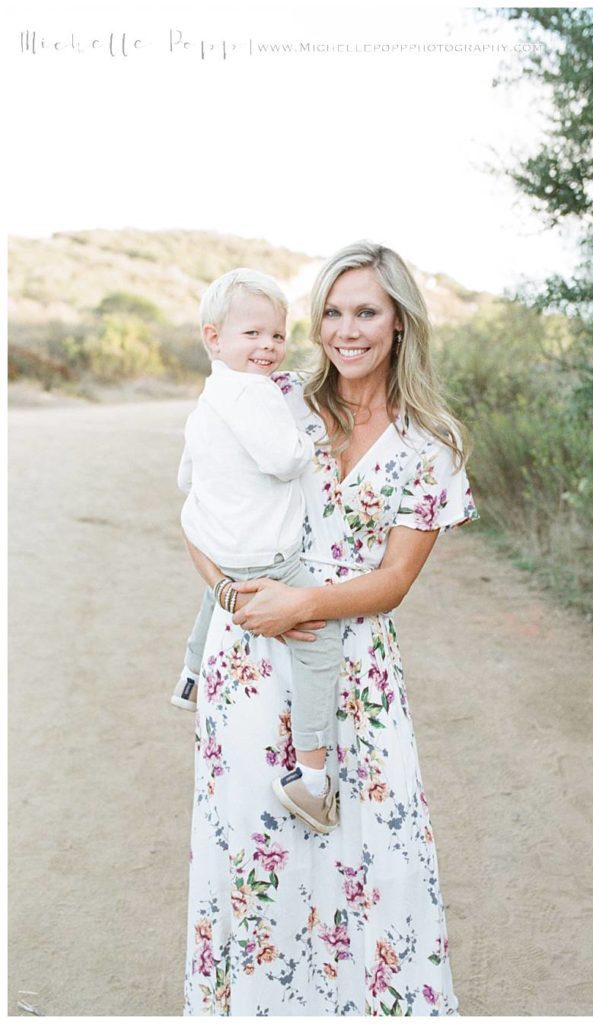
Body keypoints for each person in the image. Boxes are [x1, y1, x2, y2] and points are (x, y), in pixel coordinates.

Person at [182, 241, 479, 1016]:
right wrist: (235, 596)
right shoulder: (272, 399)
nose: (347, 329)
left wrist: (302, 606)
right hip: (249, 659)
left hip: (358, 675)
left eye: (367, 312)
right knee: (256, 862)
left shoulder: (431, 443)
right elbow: (198, 517)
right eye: (334, 312)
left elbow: (394, 581)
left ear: (400, 324)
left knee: (377, 863)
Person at [173, 267, 343, 833]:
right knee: (321, 641)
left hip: (218, 537)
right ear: (213, 337)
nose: (268, 347)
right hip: (270, 557)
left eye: (276, 335)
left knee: (218, 579)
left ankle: (192, 671)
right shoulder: (256, 394)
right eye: (253, 335)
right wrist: (311, 440)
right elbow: (284, 460)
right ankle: (313, 778)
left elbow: (186, 472)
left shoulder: (211, 394)